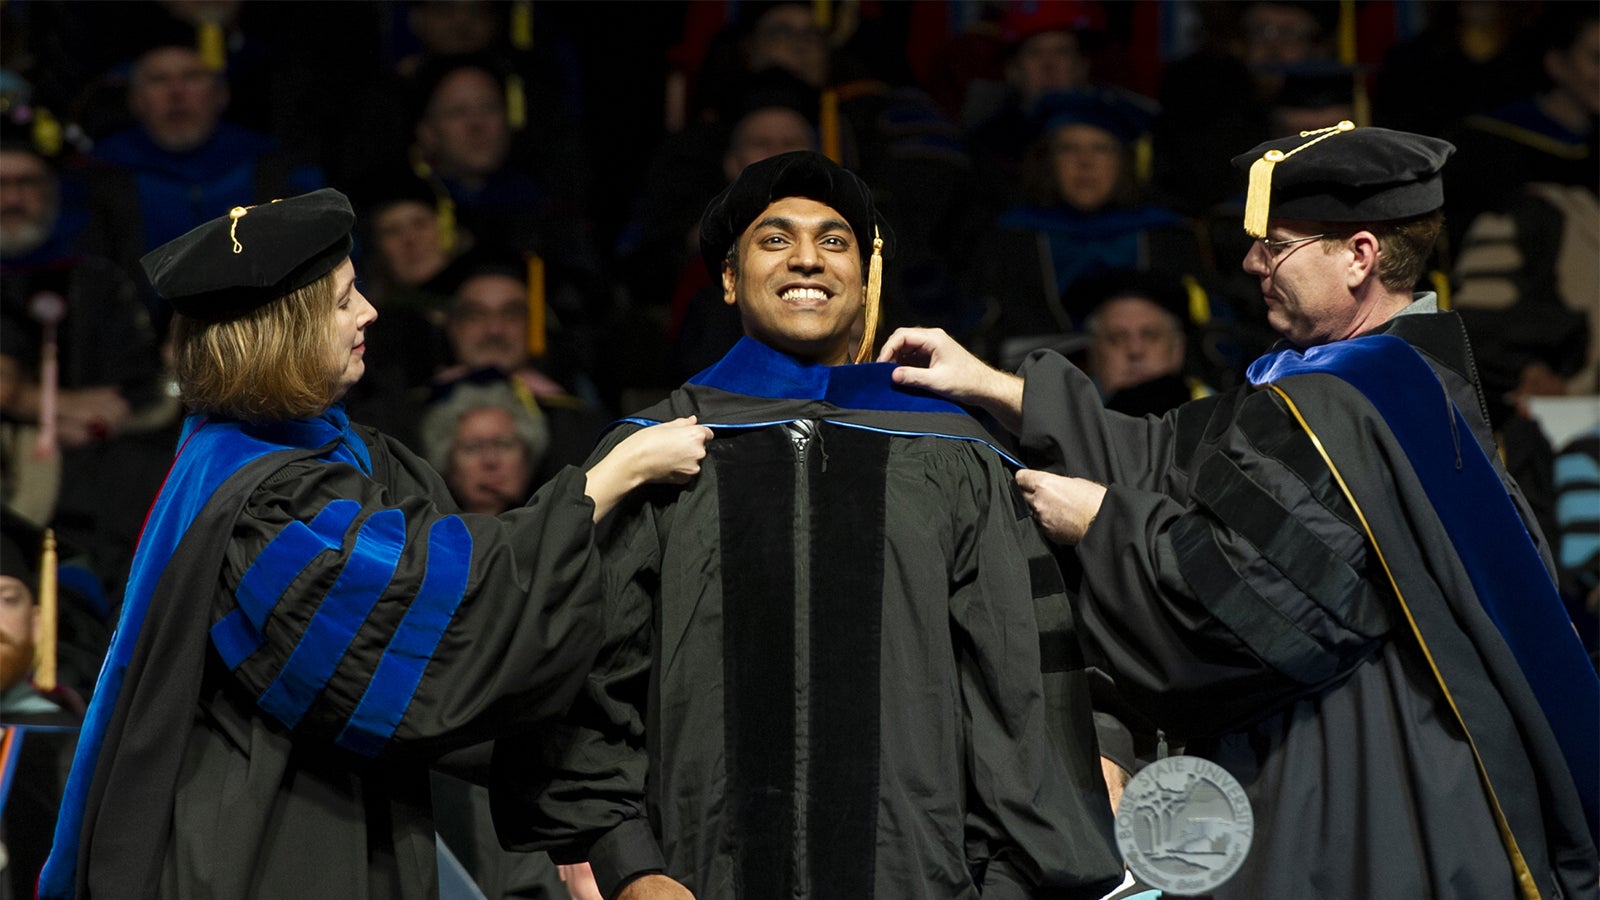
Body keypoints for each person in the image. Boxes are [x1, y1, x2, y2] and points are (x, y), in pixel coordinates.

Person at [879, 123, 1600, 897]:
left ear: (1359, 255)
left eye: (1279, 244)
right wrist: (989, 384)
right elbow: (1172, 453)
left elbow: (1238, 612)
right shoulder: (1401, 386)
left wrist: (1102, 523)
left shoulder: (1353, 407)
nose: (1253, 262)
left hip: (1365, 799)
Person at [37, 188, 709, 900]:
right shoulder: (266, 505)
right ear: (283, 334)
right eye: (342, 300)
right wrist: (604, 483)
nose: (370, 313)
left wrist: (585, 829)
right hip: (263, 847)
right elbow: (442, 620)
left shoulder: (331, 456)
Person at [495, 150, 1123, 900]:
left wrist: (1008, 885)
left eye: (834, 241)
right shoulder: (656, 449)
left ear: (863, 278)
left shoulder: (956, 453)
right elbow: (589, 678)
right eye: (774, 238)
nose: (807, 259)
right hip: (697, 875)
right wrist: (631, 865)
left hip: (920, 876)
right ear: (728, 278)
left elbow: (1018, 690)